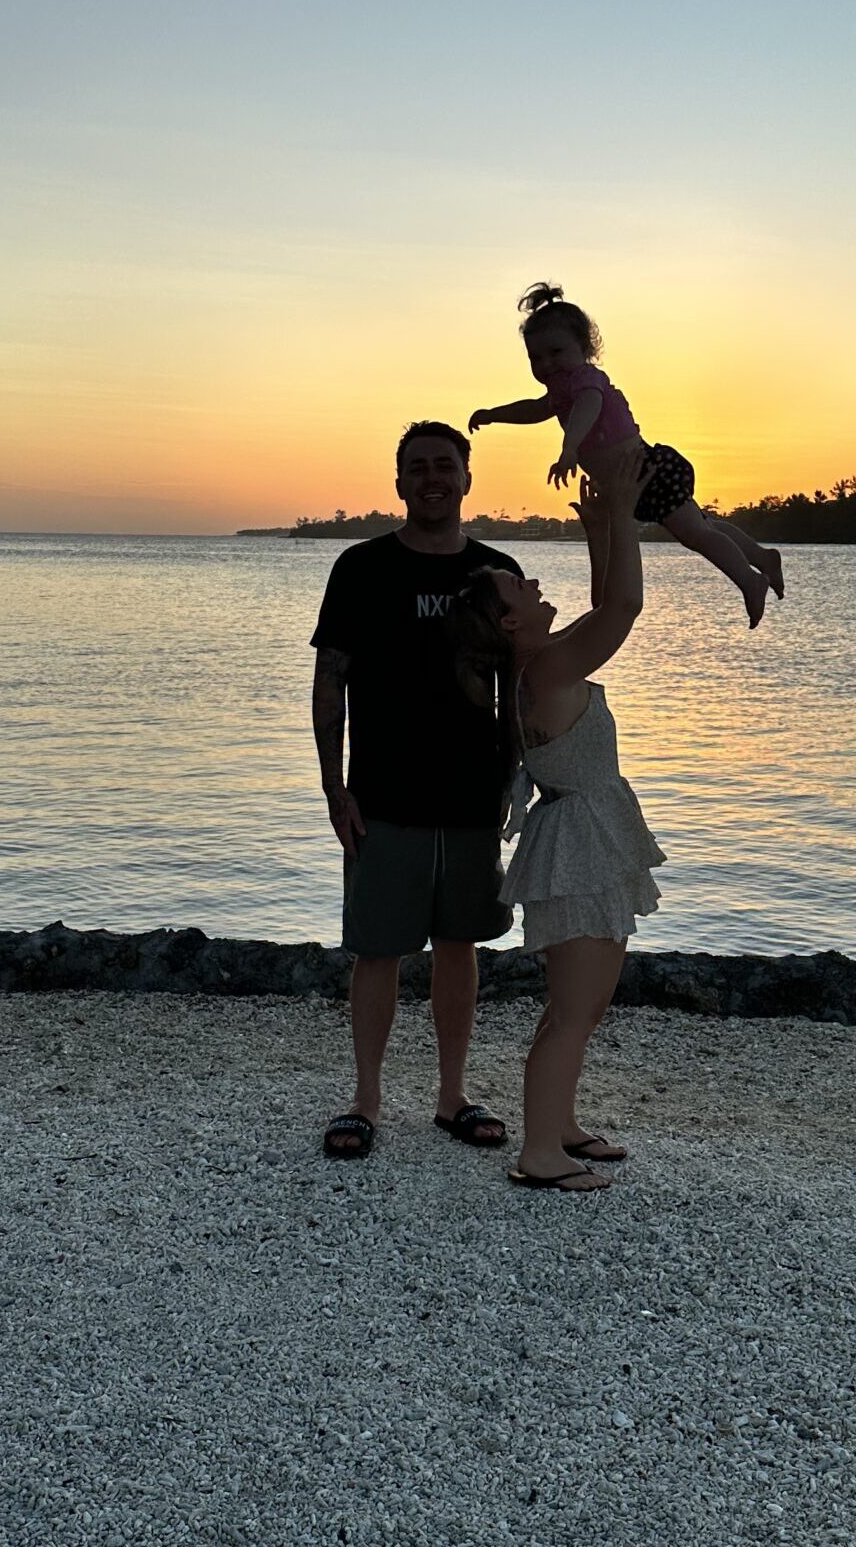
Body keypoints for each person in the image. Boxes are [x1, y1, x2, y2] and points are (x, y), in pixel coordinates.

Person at [450, 440, 662, 1193]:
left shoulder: (540, 663)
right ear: (508, 624)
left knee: (576, 1006)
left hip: (580, 837)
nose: (534, 582)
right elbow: (627, 608)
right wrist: (627, 517)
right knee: (576, 1010)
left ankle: (560, 1126)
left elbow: (606, 605)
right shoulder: (545, 669)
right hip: (578, 845)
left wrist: (602, 527)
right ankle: (540, 1154)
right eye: (519, 585)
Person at [310, 421, 525, 1160]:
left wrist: (520, 780)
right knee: (377, 950)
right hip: (382, 793)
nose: (432, 478)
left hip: (471, 794)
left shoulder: (497, 573)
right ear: (399, 484)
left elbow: (518, 689)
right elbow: (330, 678)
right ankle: (365, 1100)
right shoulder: (362, 568)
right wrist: (333, 787)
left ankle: (451, 1096)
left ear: (468, 478)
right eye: (417, 468)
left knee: (459, 944)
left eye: (445, 465)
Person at [468, 282, 784, 628]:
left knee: (696, 535)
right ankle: (761, 556)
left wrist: (570, 447)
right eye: (536, 358)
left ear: (584, 347)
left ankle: (750, 580)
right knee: (701, 526)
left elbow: (590, 406)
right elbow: (532, 408)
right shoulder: (560, 392)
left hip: (647, 471)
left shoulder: (588, 380)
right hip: (632, 482)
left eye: (556, 352)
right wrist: (493, 413)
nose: (547, 364)